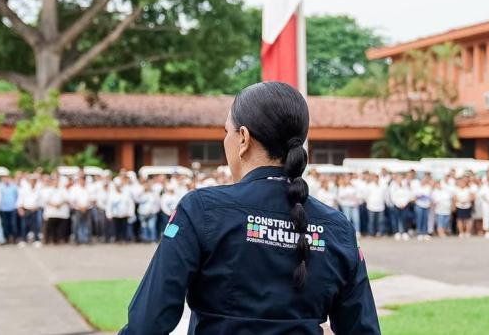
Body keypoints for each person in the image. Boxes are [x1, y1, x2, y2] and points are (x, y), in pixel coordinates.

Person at [120, 82, 380, 334]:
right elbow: (363, 327)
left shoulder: (201, 209)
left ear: (243, 138)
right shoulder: (338, 227)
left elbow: (147, 322)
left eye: (226, 132)